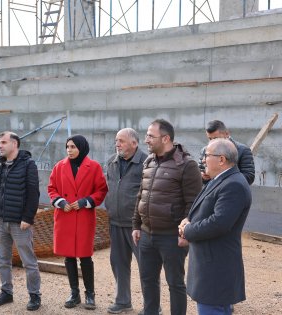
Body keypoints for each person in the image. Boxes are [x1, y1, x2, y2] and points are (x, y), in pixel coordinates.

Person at [132, 119, 202, 315]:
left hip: (172, 236)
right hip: (147, 235)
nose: (146, 140)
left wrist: (185, 232)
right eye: (146, 135)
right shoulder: (149, 161)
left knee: (175, 283)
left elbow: (194, 204)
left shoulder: (187, 165)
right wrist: (136, 225)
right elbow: (141, 195)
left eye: (150, 136)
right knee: (147, 280)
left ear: (166, 138)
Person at [179, 138, 251, 315]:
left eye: (207, 155)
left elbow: (219, 223)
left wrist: (188, 230)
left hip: (216, 266)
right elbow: (201, 208)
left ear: (221, 159)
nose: (203, 159)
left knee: (212, 309)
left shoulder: (233, 184)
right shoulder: (219, 179)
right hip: (210, 262)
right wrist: (187, 220)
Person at [47, 135, 108, 310]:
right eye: (67, 146)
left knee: (85, 257)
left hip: (83, 217)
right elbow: (51, 188)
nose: (69, 150)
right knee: (69, 256)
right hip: (65, 216)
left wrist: (85, 201)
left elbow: (101, 190)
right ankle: (74, 293)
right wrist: (59, 201)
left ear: (81, 147)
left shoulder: (94, 167)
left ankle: (90, 294)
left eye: (73, 146)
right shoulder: (59, 166)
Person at [0, 131, 42, 311]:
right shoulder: (1, 164)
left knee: (29, 261)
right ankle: (6, 292)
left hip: (20, 223)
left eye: (3, 142)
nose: (0, 146)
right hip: (1, 221)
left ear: (15, 144)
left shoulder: (28, 164)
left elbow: (34, 193)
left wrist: (28, 217)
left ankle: (34, 295)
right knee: (2, 259)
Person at [104, 128, 147, 314]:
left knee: (146, 266)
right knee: (118, 263)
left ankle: (152, 305)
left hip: (138, 225)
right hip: (116, 222)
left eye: (121, 141)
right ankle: (123, 301)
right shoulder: (111, 163)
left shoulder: (147, 163)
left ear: (134, 143)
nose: (117, 144)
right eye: (116, 140)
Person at [198, 120, 255, 185]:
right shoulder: (205, 151)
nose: (213, 142)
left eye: (216, 138)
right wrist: (203, 177)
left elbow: (249, 177)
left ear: (227, 134)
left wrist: (223, 177)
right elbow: (199, 173)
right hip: (212, 192)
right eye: (210, 139)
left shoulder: (243, 150)